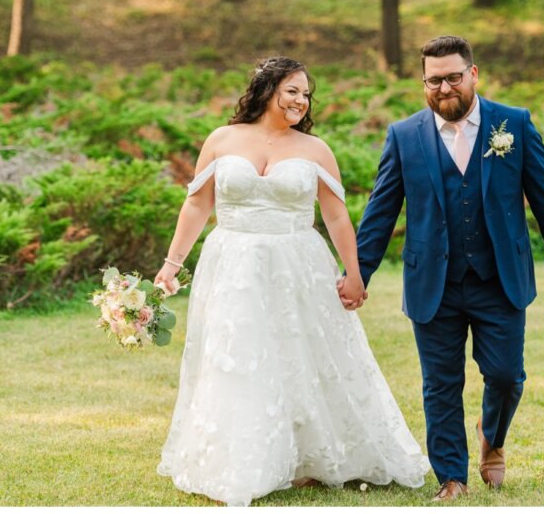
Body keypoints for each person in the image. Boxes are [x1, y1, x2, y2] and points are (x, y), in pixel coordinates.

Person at [153, 56, 429, 507]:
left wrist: (354, 273)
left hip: (298, 263)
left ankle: (309, 457)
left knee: (302, 355)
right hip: (233, 264)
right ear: (267, 90)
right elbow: (198, 206)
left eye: (306, 94)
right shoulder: (222, 140)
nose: (302, 100)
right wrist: (171, 262)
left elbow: (336, 215)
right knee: (235, 356)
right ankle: (238, 460)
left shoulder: (315, 149)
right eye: (293, 91)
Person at [349, 35, 544, 502]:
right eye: (433, 80)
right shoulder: (404, 135)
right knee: (441, 383)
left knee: (505, 376)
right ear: (423, 83)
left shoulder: (513, 124)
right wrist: (359, 274)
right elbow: (380, 212)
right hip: (431, 282)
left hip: (500, 279)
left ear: (473, 75)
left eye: (453, 77)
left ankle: (491, 437)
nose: (443, 88)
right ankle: (451, 477)